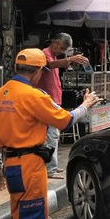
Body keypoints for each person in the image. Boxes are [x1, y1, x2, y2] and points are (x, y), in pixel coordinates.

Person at [0, 48, 101, 219]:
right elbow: (65, 120)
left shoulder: (0, 95)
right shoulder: (33, 96)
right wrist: (86, 104)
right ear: (38, 71)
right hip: (29, 166)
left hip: (12, 165)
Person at [38, 32, 89, 179]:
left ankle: (51, 165)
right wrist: (70, 59)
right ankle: (50, 169)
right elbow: (50, 65)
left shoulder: (54, 56)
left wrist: (69, 60)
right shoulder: (44, 54)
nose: (61, 52)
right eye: (61, 48)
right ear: (55, 43)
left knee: (53, 134)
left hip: (54, 99)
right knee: (52, 134)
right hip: (48, 100)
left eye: (63, 50)